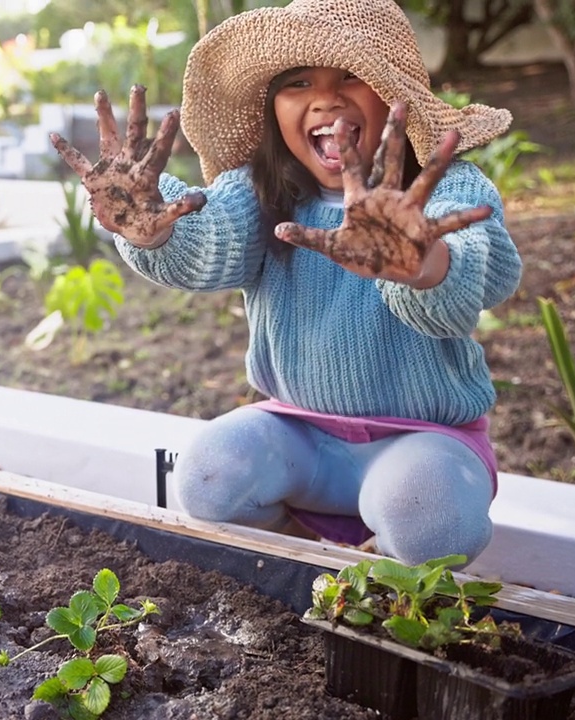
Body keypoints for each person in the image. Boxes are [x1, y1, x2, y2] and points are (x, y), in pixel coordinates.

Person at [50, 0, 521, 566]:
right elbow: (209, 235)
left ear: (397, 99)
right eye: (298, 82)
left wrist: (420, 261)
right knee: (208, 475)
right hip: (299, 434)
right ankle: (303, 566)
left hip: (422, 440)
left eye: (351, 75)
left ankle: (393, 596)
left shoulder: (448, 189)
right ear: (274, 109)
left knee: (428, 513)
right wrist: (151, 226)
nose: (325, 98)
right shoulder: (259, 190)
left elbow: (483, 265)